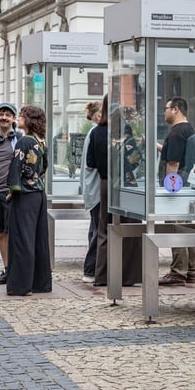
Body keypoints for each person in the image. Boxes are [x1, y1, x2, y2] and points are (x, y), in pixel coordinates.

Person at [90, 101, 143, 286]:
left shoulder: (96, 132)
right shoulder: (127, 133)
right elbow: (136, 161)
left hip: (106, 184)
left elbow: (91, 161)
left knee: (104, 229)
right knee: (131, 228)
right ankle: (130, 275)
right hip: (127, 184)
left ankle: (103, 275)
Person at [6, 105, 52, 296]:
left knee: (22, 239)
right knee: (38, 239)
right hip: (38, 193)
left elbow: (16, 167)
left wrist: (11, 190)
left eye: (22, 116)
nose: (19, 118)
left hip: (24, 194)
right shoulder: (41, 141)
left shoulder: (24, 141)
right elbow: (44, 168)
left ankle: (21, 285)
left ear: (29, 119)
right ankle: (40, 283)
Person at [157, 97, 195, 286]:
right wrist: (159, 148)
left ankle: (178, 271)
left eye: (166, 108)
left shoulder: (175, 133)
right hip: (187, 187)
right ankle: (191, 270)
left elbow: (173, 164)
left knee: (176, 227)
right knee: (187, 227)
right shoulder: (188, 129)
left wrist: (168, 192)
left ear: (176, 109)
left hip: (176, 189)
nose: (164, 112)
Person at [0, 102, 21, 286]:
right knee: (1, 234)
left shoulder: (19, 139)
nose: (4, 117)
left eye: (8, 114)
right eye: (1, 114)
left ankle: (17, 269)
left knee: (14, 233)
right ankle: (7, 270)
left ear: (14, 118)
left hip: (12, 195)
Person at [80, 100, 103, 283]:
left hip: (92, 188)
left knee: (94, 228)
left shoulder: (92, 132)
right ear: (98, 116)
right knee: (98, 230)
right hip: (96, 188)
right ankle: (90, 269)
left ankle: (93, 267)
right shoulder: (96, 132)